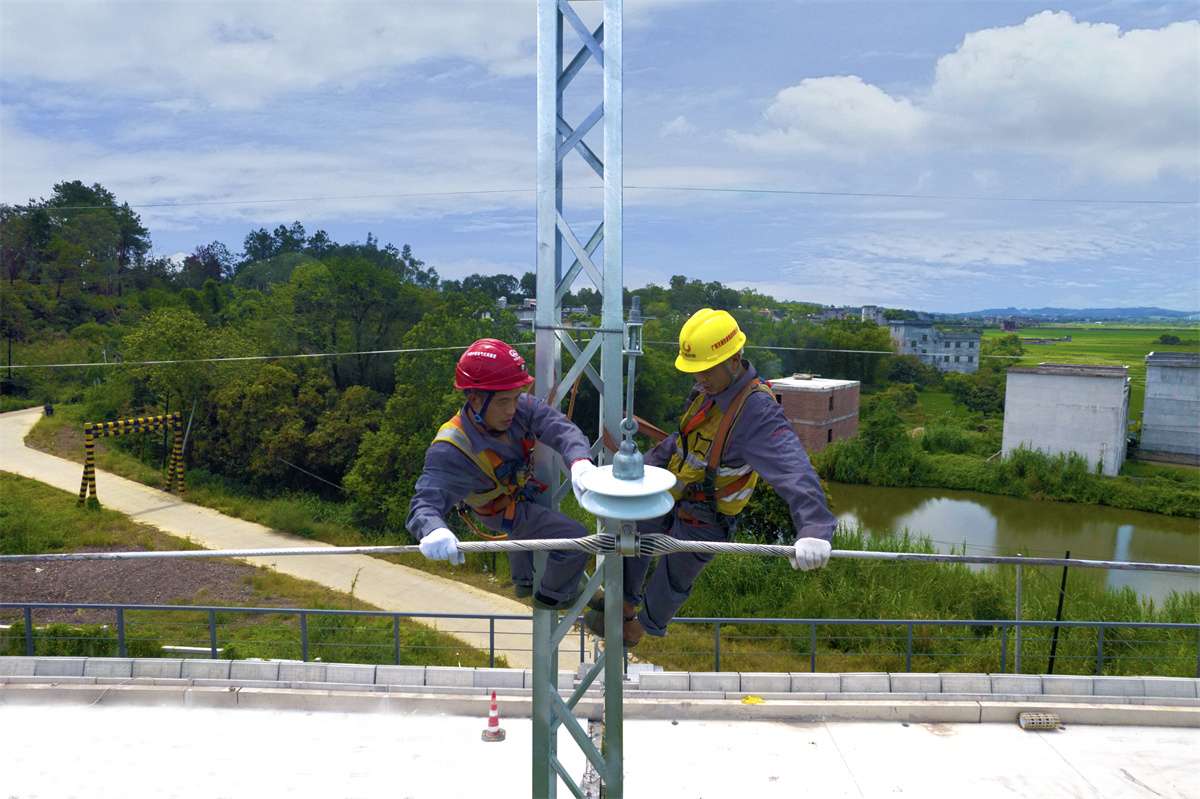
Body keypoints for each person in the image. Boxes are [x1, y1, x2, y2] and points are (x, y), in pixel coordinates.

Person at [585, 309, 836, 645]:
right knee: (632, 532)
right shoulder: (709, 391)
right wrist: (639, 470)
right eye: (695, 371)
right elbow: (681, 442)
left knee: (673, 577)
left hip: (707, 514)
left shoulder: (756, 412)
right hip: (674, 491)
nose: (699, 378)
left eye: (706, 370)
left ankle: (636, 631)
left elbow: (794, 468)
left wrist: (815, 528)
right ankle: (624, 606)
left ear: (734, 360)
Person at [406, 338, 598, 609]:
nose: (511, 410)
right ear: (474, 400)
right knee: (576, 538)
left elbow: (560, 428)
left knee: (531, 520)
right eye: (503, 402)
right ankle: (552, 597)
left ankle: (524, 580)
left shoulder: (517, 406)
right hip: (499, 510)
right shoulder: (451, 448)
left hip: (518, 491)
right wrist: (434, 529)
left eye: (516, 398)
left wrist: (579, 461)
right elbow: (424, 504)